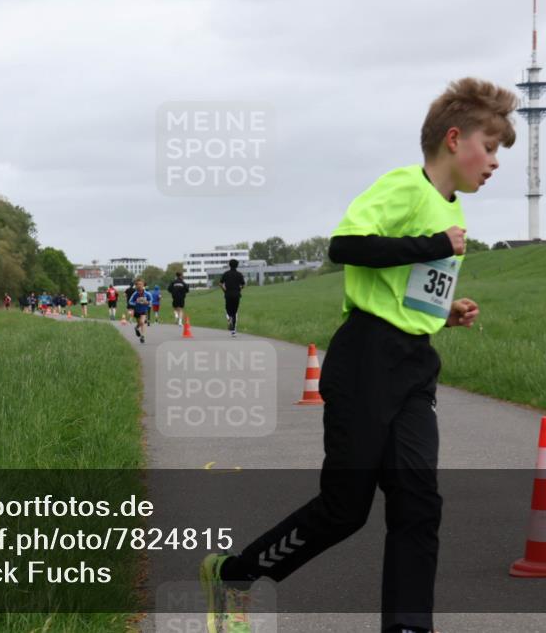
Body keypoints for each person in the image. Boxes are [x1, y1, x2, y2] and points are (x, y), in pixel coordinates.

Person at [199, 77, 510, 633]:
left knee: (419, 503)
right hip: (365, 358)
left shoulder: (455, 212)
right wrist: (434, 245)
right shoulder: (404, 186)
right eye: (489, 147)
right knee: (345, 509)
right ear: (453, 139)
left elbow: (407, 292)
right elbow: (346, 246)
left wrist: (444, 313)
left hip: (415, 364)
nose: (494, 162)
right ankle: (235, 575)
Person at [219, 259, 245, 337]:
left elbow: (220, 284)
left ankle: (228, 318)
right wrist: (239, 290)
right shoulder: (239, 274)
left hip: (228, 294)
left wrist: (224, 290)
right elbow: (243, 285)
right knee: (234, 312)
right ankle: (233, 331)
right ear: (237, 265)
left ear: (229, 265)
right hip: (236, 295)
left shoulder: (226, 274)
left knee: (228, 309)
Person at [127, 278, 153, 344]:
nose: (139, 285)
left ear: (143, 285)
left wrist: (147, 302)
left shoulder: (147, 294)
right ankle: (136, 328)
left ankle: (142, 336)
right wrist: (136, 302)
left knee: (142, 322)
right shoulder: (135, 294)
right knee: (139, 323)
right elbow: (130, 302)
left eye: (141, 284)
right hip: (137, 311)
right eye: (138, 284)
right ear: (136, 285)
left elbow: (151, 300)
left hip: (144, 310)